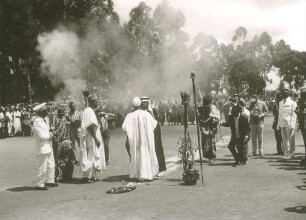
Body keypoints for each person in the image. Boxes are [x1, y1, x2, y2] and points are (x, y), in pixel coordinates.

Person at [122, 97, 158, 181]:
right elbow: (154, 125)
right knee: (145, 154)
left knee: (136, 156)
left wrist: (133, 134)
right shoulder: (146, 114)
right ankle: (147, 173)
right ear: (140, 104)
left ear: (133, 105)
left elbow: (124, 128)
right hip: (145, 140)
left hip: (135, 141)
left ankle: (136, 174)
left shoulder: (129, 116)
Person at [80, 94, 106, 183]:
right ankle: (88, 176)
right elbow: (90, 126)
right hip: (91, 137)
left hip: (91, 137)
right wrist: (96, 139)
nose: (97, 102)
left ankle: (93, 175)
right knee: (90, 155)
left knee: (94, 154)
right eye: (95, 101)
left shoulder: (89, 110)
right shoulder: (89, 111)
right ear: (91, 102)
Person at [32, 103, 57, 190]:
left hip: (48, 146)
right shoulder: (37, 122)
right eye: (45, 110)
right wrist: (50, 135)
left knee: (51, 164)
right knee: (42, 166)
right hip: (42, 147)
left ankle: (50, 180)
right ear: (41, 111)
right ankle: (40, 184)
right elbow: (41, 136)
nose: (47, 111)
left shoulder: (44, 120)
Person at [141, 96, 166, 172]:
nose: (144, 104)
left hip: (155, 133)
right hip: (146, 134)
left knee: (158, 149)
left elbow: (157, 122)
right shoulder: (141, 113)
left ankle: (162, 166)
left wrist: (157, 132)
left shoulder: (153, 111)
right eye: (143, 103)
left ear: (148, 103)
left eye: (146, 102)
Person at [198, 94, 220, 162]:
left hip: (210, 126)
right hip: (204, 127)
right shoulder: (202, 107)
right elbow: (200, 115)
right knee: (205, 142)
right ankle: (208, 156)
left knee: (210, 141)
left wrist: (203, 121)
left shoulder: (212, 107)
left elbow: (212, 116)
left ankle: (212, 156)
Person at [278, 88, 297, 159]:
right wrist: (278, 124)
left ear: (288, 93)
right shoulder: (280, 102)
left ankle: (291, 154)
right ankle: (286, 154)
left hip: (289, 123)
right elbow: (279, 114)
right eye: (283, 93)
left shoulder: (292, 102)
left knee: (291, 139)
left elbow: (294, 114)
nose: (284, 94)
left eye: (286, 93)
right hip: (282, 123)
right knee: (284, 140)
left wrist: (293, 124)